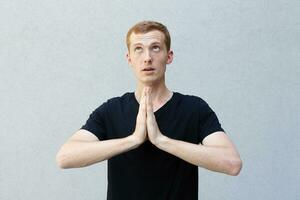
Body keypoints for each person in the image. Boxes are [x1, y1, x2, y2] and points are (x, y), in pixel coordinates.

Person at [56, 20, 242, 200]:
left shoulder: (194, 109)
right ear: (129, 59)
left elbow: (232, 164)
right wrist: (133, 139)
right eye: (138, 49)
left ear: (169, 56)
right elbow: (65, 157)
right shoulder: (111, 110)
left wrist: (161, 141)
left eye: (155, 48)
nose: (147, 58)